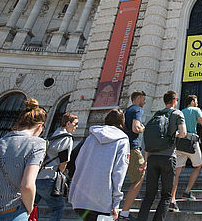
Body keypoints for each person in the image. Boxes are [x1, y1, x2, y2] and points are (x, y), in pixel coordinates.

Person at [68, 108, 129, 221]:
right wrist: (116, 202)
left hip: (81, 198)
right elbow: (119, 172)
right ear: (122, 122)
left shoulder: (91, 136)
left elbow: (78, 162)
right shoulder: (122, 140)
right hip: (102, 200)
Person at [137, 90, 186, 220]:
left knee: (149, 195)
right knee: (166, 195)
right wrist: (174, 134)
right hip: (168, 157)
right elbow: (183, 133)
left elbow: (149, 140)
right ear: (175, 100)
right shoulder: (177, 113)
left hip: (152, 158)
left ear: (164, 101)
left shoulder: (156, 115)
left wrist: (145, 161)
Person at [170, 95, 202, 211]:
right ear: (192, 102)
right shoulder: (196, 110)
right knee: (198, 166)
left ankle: (172, 199)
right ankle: (187, 191)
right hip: (192, 142)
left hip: (180, 142)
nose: (197, 103)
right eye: (196, 101)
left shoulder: (180, 112)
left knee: (177, 171)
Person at [35, 112, 78, 221]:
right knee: (58, 208)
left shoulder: (52, 135)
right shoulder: (67, 138)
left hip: (38, 177)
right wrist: (61, 174)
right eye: (75, 124)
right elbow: (64, 161)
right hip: (50, 177)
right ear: (68, 123)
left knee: (29, 206)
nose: (76, 127)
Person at [119, 90, 147, 221]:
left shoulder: (127, 110)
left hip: (123, 147)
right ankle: (124, 213)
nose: (145, 102)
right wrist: (143, 128)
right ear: (139, 98)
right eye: (144, 99)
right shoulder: (137, 110)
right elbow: (136, 128)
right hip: (133, 148)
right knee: (138, 179)